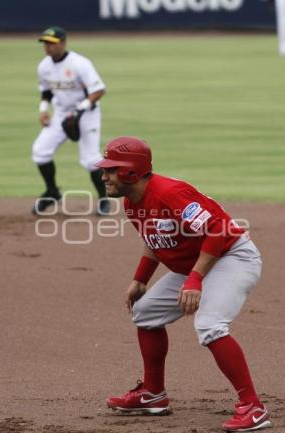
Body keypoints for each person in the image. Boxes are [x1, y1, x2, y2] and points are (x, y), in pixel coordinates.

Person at [95, 136, 272, 432]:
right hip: (199, 263)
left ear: (130, 172)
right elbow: (154, 241)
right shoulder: (132, 202)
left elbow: (217, 230)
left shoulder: (170, 193)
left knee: (210, 325)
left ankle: (253, 407)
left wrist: (195, 279)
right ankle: (153, 394)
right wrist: (141, 279)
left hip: (232, 256)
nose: (103, 176)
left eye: (110, 170)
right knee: (146, 312)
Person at [31, 26, 109, 215]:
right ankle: (52, 192)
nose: (48, 47)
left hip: (87, 114)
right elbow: (47, 91)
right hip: (60, 114)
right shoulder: (44, 66)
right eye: (45, 44)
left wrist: (80, 110)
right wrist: (43, 110)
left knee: (91, 160)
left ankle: (104, 199)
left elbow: (98, 90)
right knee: (40, 152)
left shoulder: (80, 63)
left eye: (52, 43)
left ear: (63, 43)